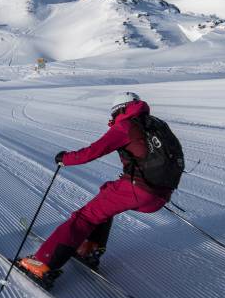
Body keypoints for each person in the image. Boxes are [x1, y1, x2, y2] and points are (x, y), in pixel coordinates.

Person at [18, 91, 174, 282]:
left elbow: (93, 151)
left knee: (84, 217)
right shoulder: (157, 124)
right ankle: (90, 248)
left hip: (138, 189)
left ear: (120, 110)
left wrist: (65, 158)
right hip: (161, 193)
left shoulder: (126, 125)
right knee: (108, 191)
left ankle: (42, 264)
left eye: (113, 115)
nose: (112, 119)